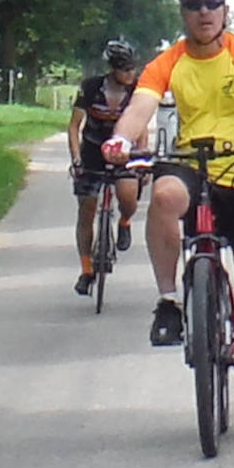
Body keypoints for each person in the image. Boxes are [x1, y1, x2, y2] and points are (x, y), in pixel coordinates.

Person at [100, 0, 234, 404]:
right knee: (166, 195)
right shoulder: (168, 61)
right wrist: (120, 138)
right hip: (192, 162)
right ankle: (169, 302)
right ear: (183, 13)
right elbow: (141, 105)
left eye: (213, 3)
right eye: (194, 5)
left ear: (226, 9)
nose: (204, 12)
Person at [68, 39, 144, 294]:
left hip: (124, 152)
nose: (131, 74)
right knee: (87, 208)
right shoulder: (91, 88)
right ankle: (86, 269)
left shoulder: (136, 92)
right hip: (92, 151)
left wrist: (141, 157)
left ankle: (124, 221)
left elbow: (141, 128)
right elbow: (74, 127)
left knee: (128, 197)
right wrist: (76, 159)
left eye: (133, 69)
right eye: (125, 69)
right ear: (113, 69)